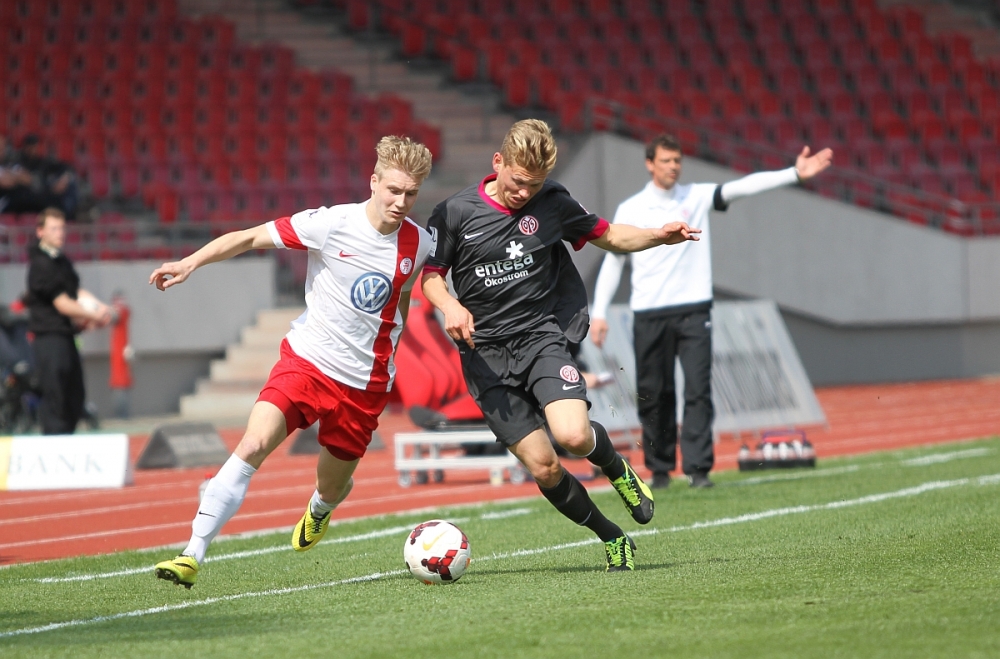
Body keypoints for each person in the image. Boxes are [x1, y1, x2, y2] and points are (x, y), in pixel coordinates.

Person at [152, 136, 434, 589]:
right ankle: (192, 553)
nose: (401, 202)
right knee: (253, 444)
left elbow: (401, 296)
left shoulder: (418, 243)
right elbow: (248, 237)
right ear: (374, 181)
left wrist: (394, 343)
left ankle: (321, 508)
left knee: (331, 485)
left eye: (411, 193)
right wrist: (190, 263)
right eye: (394, 190)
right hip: (307, 362)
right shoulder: (331, 224)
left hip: (364, 383)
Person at [421, 119, 700, 572]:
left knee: (573, 435)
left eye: (533, 185)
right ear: (497, 162)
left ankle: (618, 470)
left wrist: (658, 237)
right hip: (485, 356)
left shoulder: (552, 202)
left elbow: (608, 234)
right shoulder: (454, 212)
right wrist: (449, 305)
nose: (523, 193)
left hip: (540, 337)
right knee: (545, 467)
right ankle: (611, 535)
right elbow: (431, 276)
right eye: (517, 181)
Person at [590, 134, 833, 489]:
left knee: (698, 389)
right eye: (666, 160)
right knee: (654, 393)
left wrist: (793, 174)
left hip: (694, 309)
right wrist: (599, 312)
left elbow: (741, 188)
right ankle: (660, 470)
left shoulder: (696, 196)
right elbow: (613, 261)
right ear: (650, 164)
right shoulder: (631, 208)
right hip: (649, 312)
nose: (673, 166)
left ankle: (699, 470)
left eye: (677, 160)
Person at [25, 208, 112, 434]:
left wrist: (100, 308)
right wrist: (93, 315)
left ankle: (67, 439)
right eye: (54, 229)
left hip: (66, 336)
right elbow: (62, 303)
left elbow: (75, 292)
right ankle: (55, 443)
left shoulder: (61, 261)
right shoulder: (41, 264)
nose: (60, 233)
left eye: (62, 228)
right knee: (56, 396)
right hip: (49, 338)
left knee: (74, 395)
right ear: (40, 232)